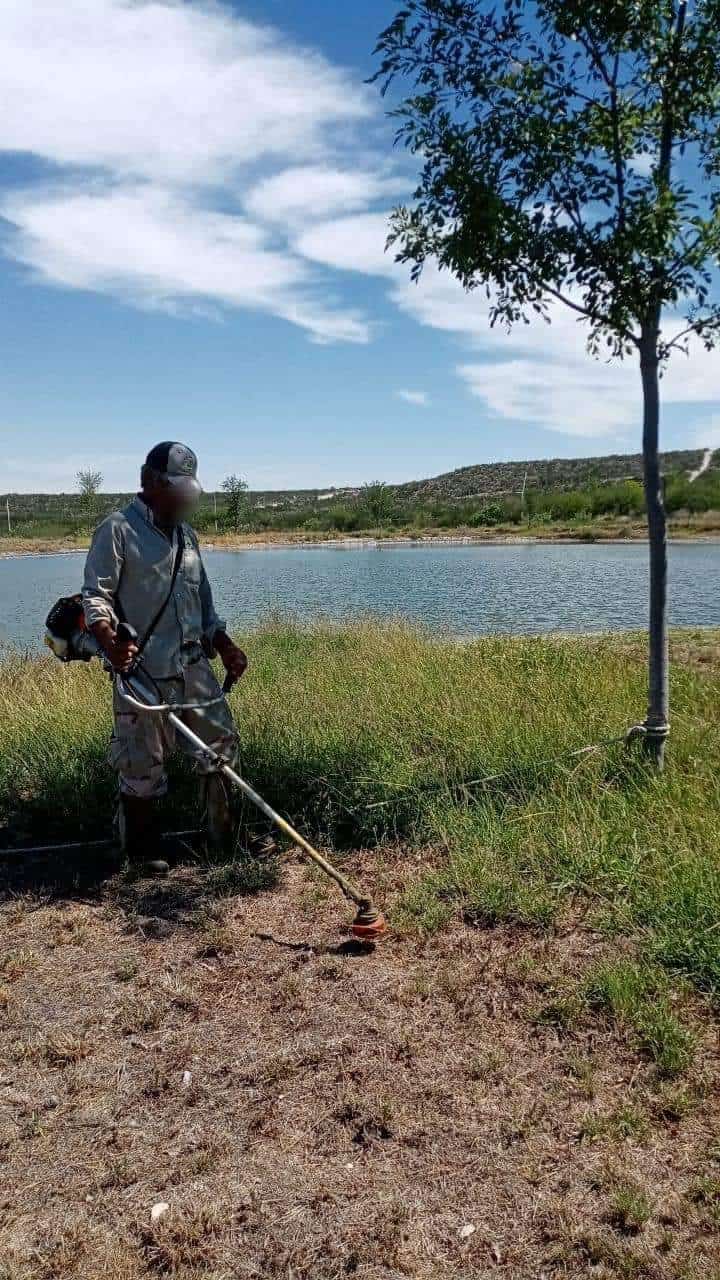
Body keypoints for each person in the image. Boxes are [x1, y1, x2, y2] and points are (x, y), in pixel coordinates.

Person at [82, 442, 247, 875]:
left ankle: (222, 839)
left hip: (195, 669)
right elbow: (95, 598)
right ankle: (141, 856)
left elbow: (205, 608)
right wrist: (111, 641)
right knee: (141, 767)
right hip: (141, 674)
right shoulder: (116, 530)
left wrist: (225, 645)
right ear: (150, 482)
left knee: (221, 750)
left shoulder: (187, 537)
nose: (183, 501)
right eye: (176, 490)